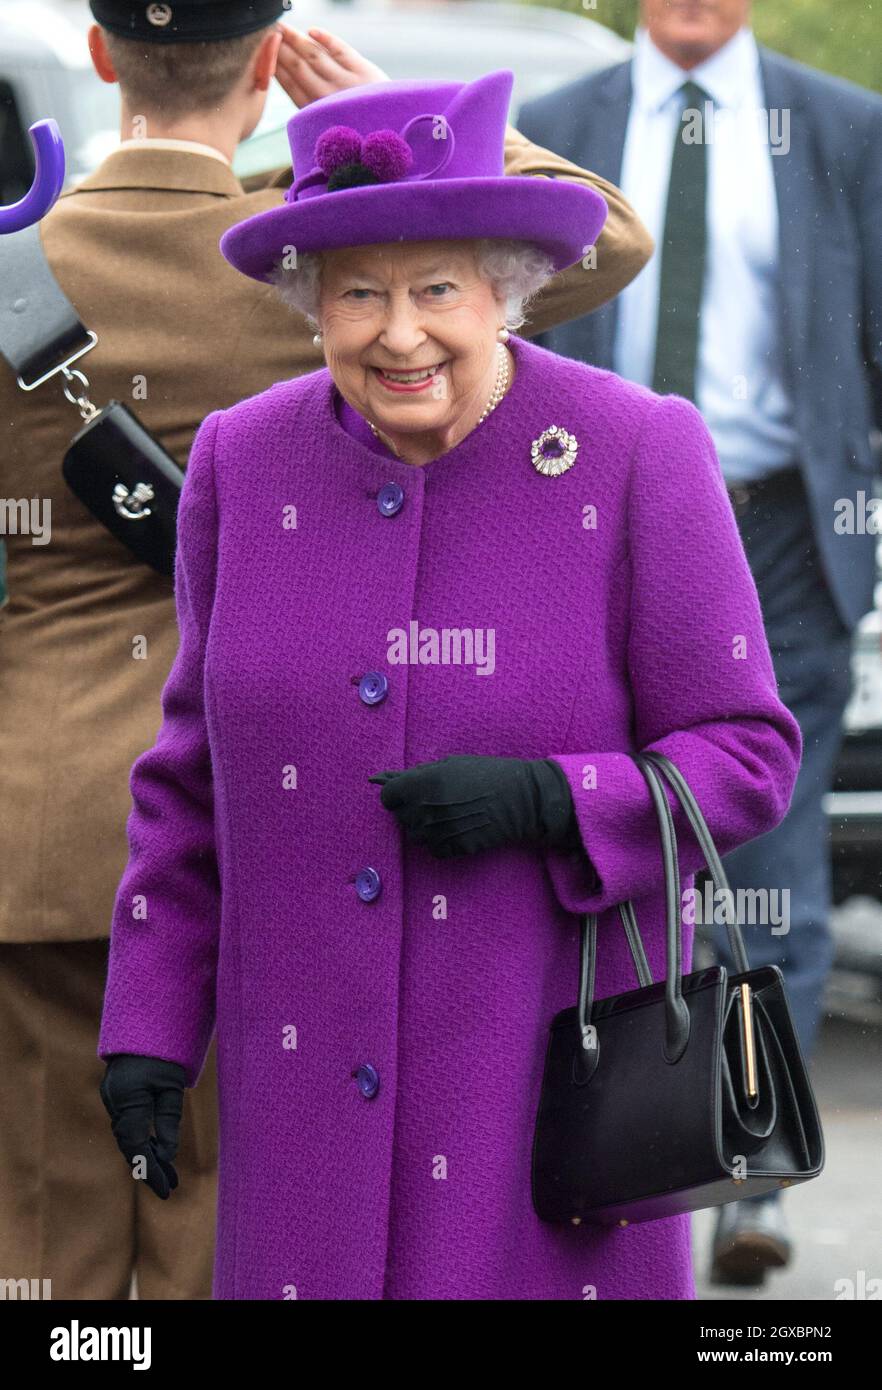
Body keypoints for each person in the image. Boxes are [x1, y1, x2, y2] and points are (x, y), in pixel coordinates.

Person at [96, 67, 801, 1301]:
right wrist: (150, 1029)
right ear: (309, 304)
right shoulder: (239, 463)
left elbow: (747, 750)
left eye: (436, 289)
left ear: (507, 289)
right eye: (358, 293)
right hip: (303, 1107)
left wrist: (558, 797)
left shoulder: (637, 451)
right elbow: (189, 780)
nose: (399, 331)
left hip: (542, 1100)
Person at [0, 1, 652, 1301]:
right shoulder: (312, 265)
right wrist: (424, 128)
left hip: (36, 823)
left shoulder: (14, 277)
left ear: (100, 55)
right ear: (267, 62)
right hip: (277, 820)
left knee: (43, 1250)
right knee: (226, 1236)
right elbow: (603, 242)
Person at [518, 0, 882, 1285]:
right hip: (577, 525)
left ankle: (750, 1169)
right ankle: (593, 1140)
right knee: (598, 828)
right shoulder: (555, 128)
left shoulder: (845, 127)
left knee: (760, 837)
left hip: (778, 538)